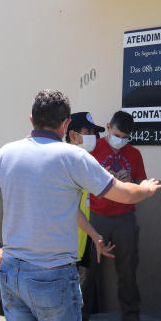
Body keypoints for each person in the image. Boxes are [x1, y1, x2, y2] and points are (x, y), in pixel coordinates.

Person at [0, 90, 161, 321]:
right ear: (67, 123)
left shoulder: (6, 153)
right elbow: (124, 194)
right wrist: (145, 189)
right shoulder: (73, 157)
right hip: (53, 274)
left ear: (31, 119)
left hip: (11, 270)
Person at [81, 111, 152, 321]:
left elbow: (143, 184)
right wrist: (102, 176)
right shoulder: (93, 148)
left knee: (128, 271)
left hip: (125, 217)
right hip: (96, 216)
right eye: (118, 134)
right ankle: (78, 320)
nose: (120, 140)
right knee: (88, 271)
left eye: (125, 137)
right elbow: (80, 180)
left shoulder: (135, 154)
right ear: (108, 127)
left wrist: (131, 182)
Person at [64, 112, 116, 268]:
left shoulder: (85, 162)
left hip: (81, 241)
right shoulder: (64, 161)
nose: (93, 136)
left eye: (94, 133)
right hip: (64, 246)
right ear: (73, 135)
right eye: (88, 132)